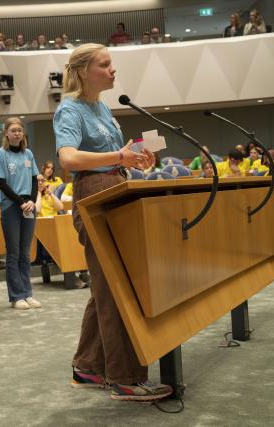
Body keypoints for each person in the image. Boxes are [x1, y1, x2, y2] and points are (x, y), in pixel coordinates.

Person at [54, 43, 172, 401]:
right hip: (95, 194)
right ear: (83, 71)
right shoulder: (69, 110)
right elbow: (69, 158)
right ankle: (123, 377)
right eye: (105, 65)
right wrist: (118, 155)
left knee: (109, 283)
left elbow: (114, 156)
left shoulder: (102, 107)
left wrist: (134, 157)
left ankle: (88, 366)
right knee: (116, 287)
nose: (112, 70)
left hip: (116, 186)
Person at [0, 117, 41, 310]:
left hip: (27, 205)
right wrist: (21, 203)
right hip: (11, 206)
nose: (17, 133)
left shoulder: (27, 153)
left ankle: (27, 292)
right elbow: (1, 183)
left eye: (19, 130)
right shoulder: (0, 154)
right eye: (13, 130)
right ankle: (16, 295)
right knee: (13, 253)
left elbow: (35, 180)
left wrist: (30, 200)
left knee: (25, 252)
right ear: (6, 133)